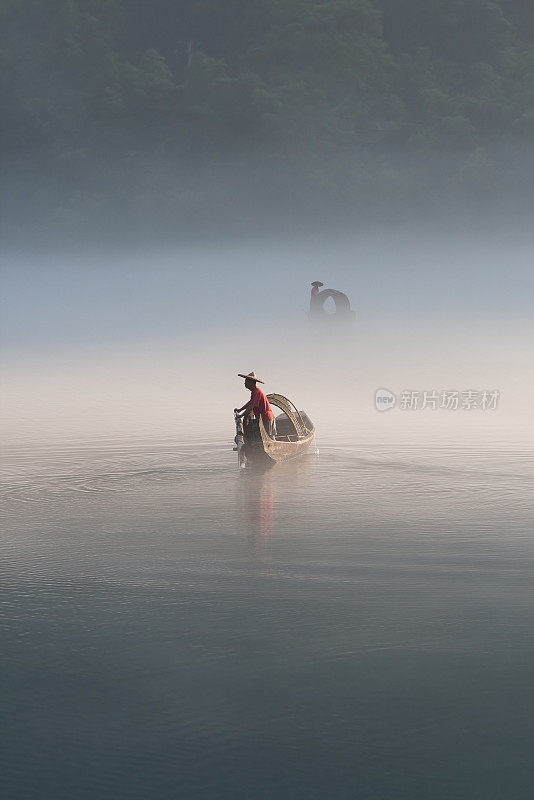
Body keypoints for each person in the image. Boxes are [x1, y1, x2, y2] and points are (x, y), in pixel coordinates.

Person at [234, 372, 277, 438]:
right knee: (267, 438)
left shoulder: (257, 392)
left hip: (267, 418)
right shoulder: (254, 392)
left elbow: (251, 407)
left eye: (246, 381)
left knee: (270, 438)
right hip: (263, 418)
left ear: (251, 382)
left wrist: (241, 415)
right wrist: (240, 410)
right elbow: (250, 403)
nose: (244, 383)